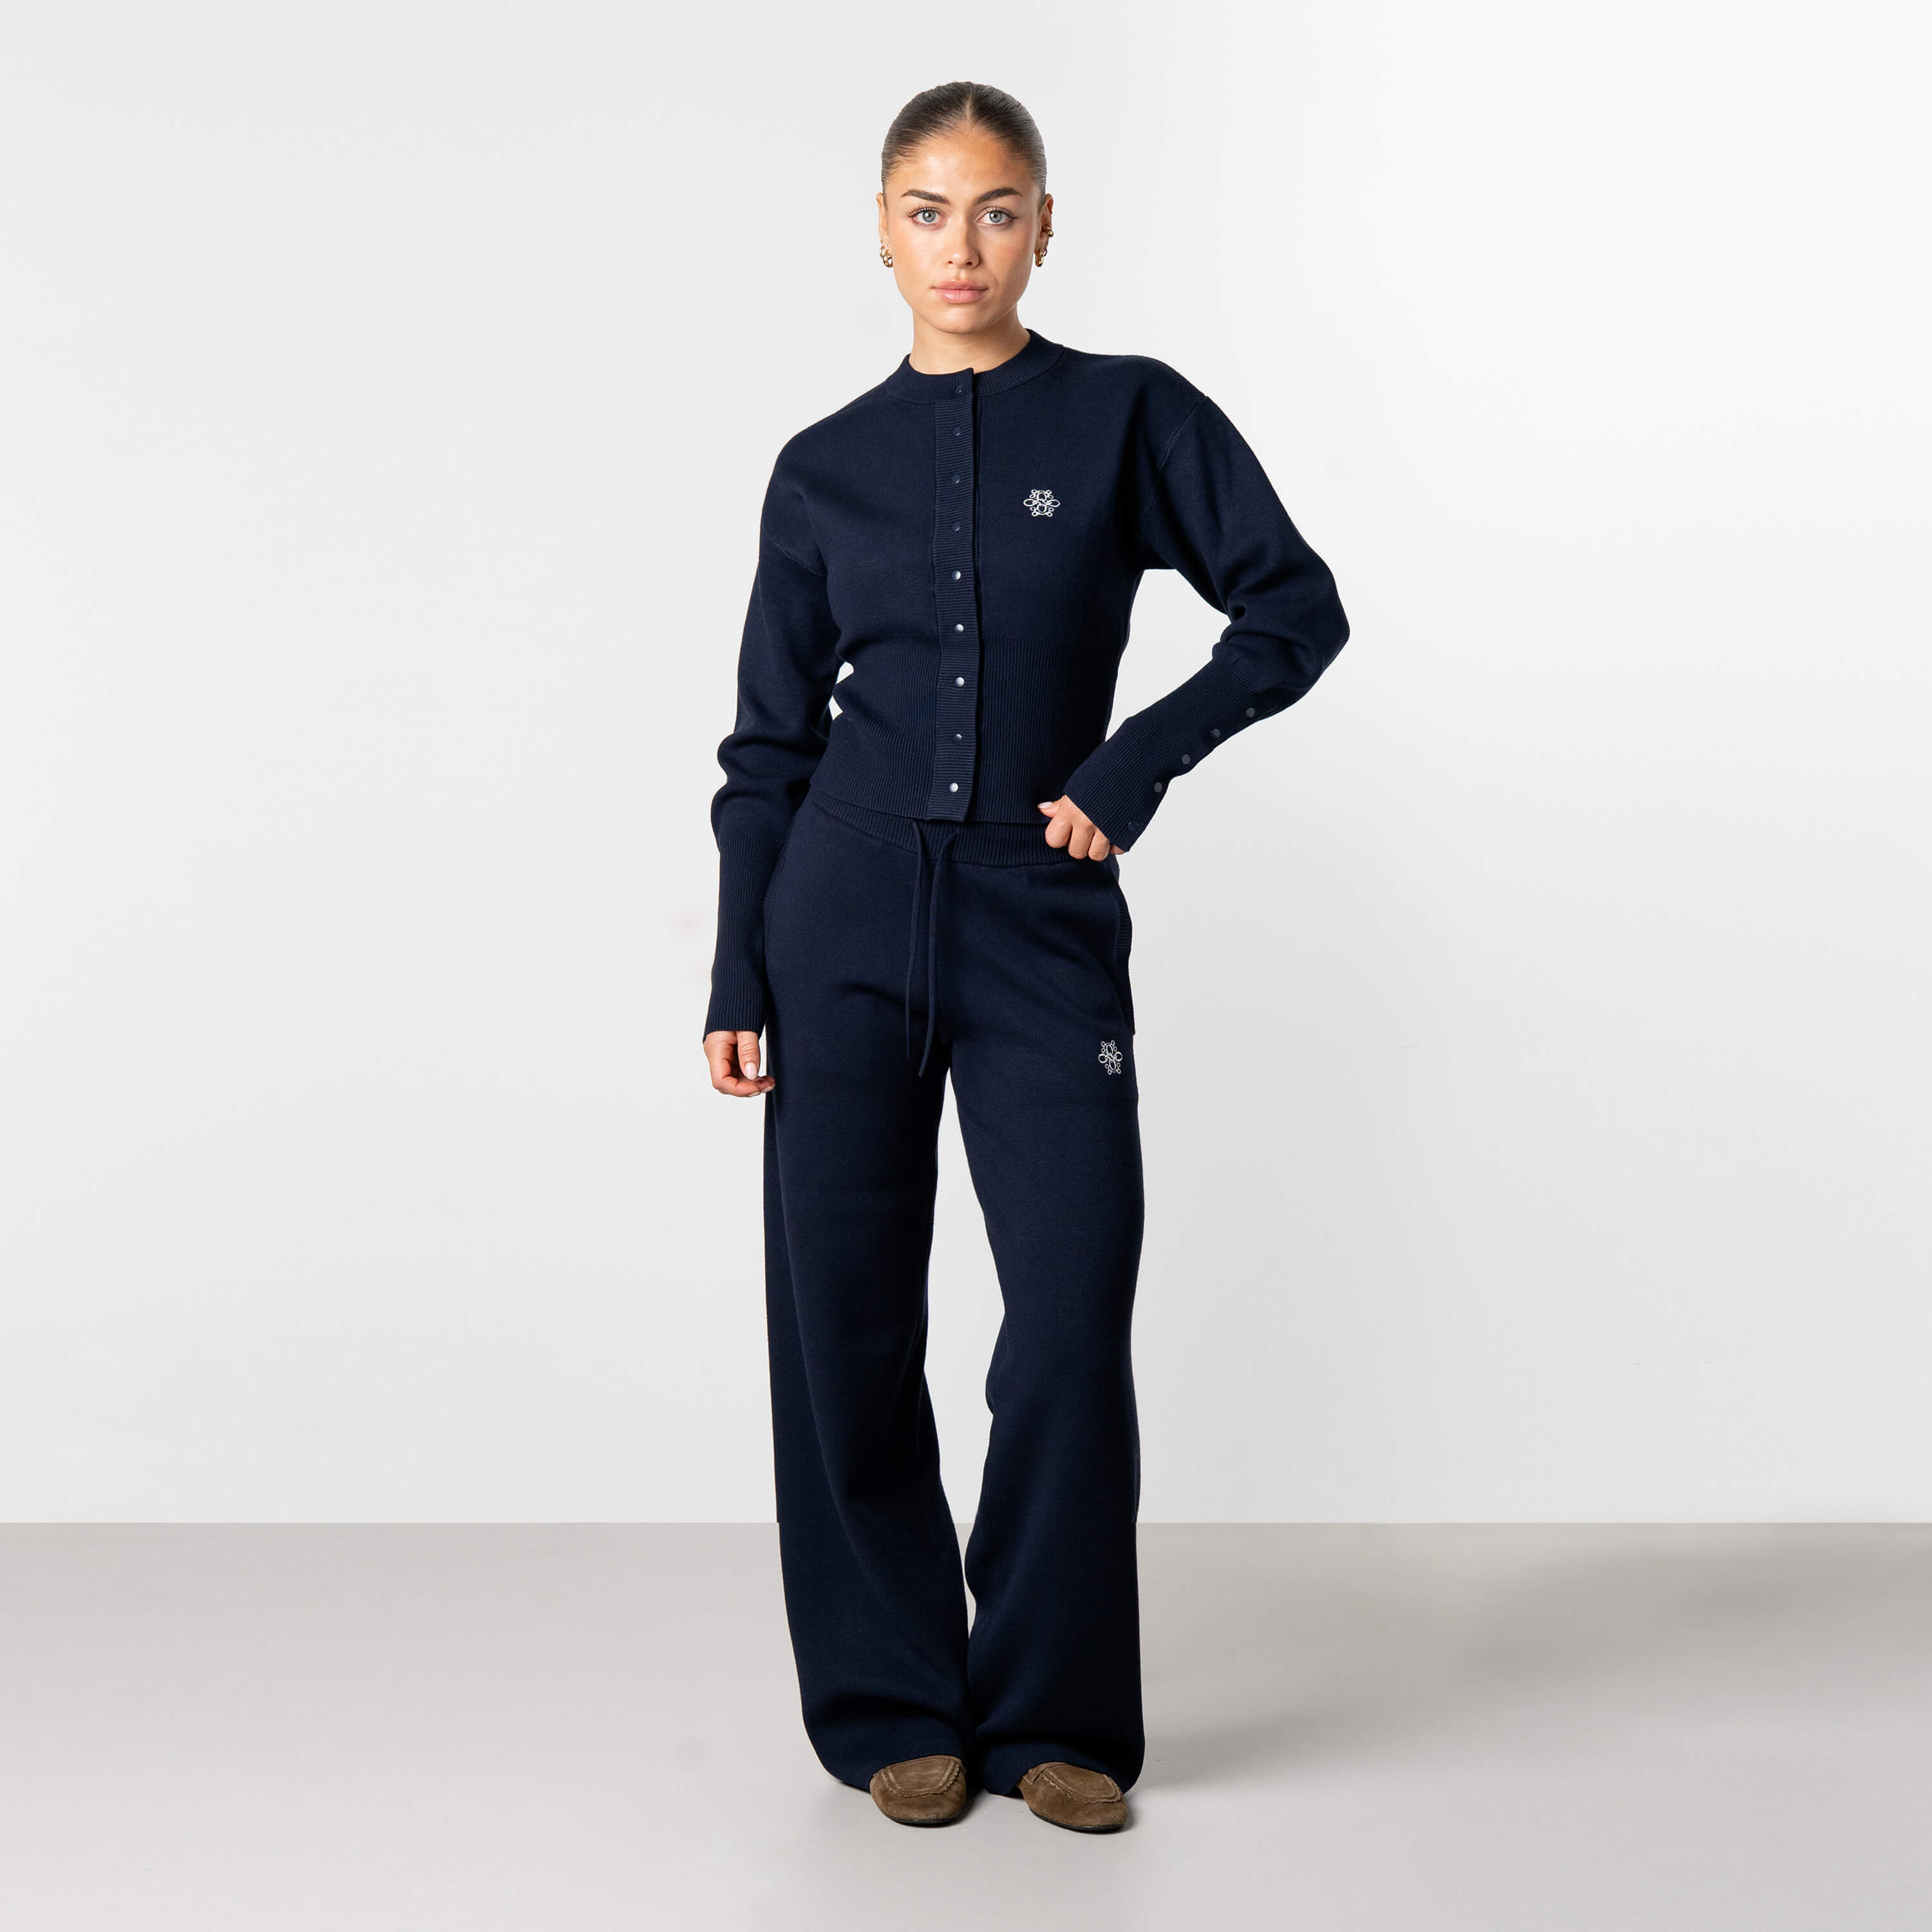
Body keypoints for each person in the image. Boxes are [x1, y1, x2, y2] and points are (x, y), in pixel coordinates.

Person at [700, 80, 1349, 1833]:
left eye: (997, 210)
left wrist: (1133, 766)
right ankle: (893, 1705)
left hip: (1038, 921)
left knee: (1066, 1312)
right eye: (928, 211)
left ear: (1046, 225)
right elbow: (765, 748)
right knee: (844, 1323)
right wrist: (738, 967)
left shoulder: (1131, 414)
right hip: (836, 917)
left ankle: (1055, 1712)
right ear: (882, 230)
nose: (963, 247)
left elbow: (1295, 608)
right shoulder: (822, 467)